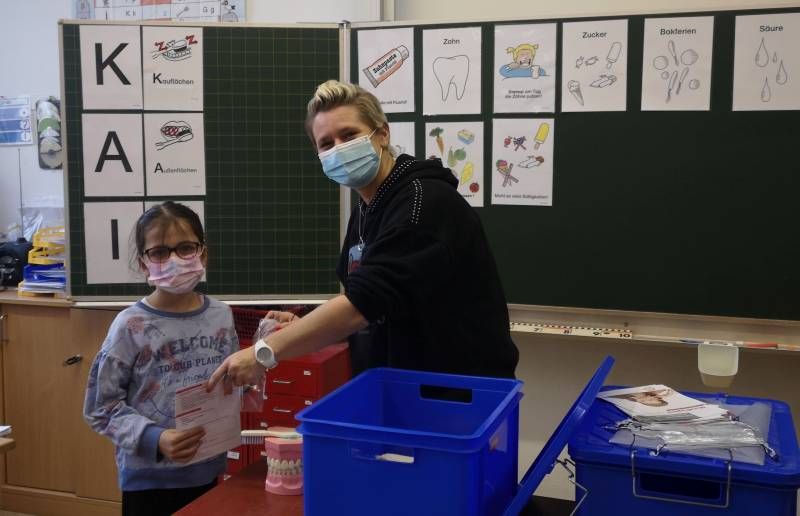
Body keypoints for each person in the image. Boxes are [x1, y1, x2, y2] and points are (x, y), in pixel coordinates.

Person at [208, 79, 518, 391]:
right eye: (326, 144)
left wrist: (264, 352)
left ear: (382, 134)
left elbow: (361, 305)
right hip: (399, 388)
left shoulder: (422, 203)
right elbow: (372, 297)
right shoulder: (368, 208)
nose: (339, 149)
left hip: (455, 395)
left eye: (349, 135)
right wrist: (306, 326)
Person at [84, 201, 238, 516]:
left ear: (203, 254)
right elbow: (100, 408)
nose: (174, 260)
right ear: (144, 264)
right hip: (148, 482)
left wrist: (263, 347)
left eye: (186, 248)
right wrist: (154, 438)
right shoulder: (129, 326)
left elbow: (233, 384)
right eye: (159, 252)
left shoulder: (221, 316)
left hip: (206, 470)